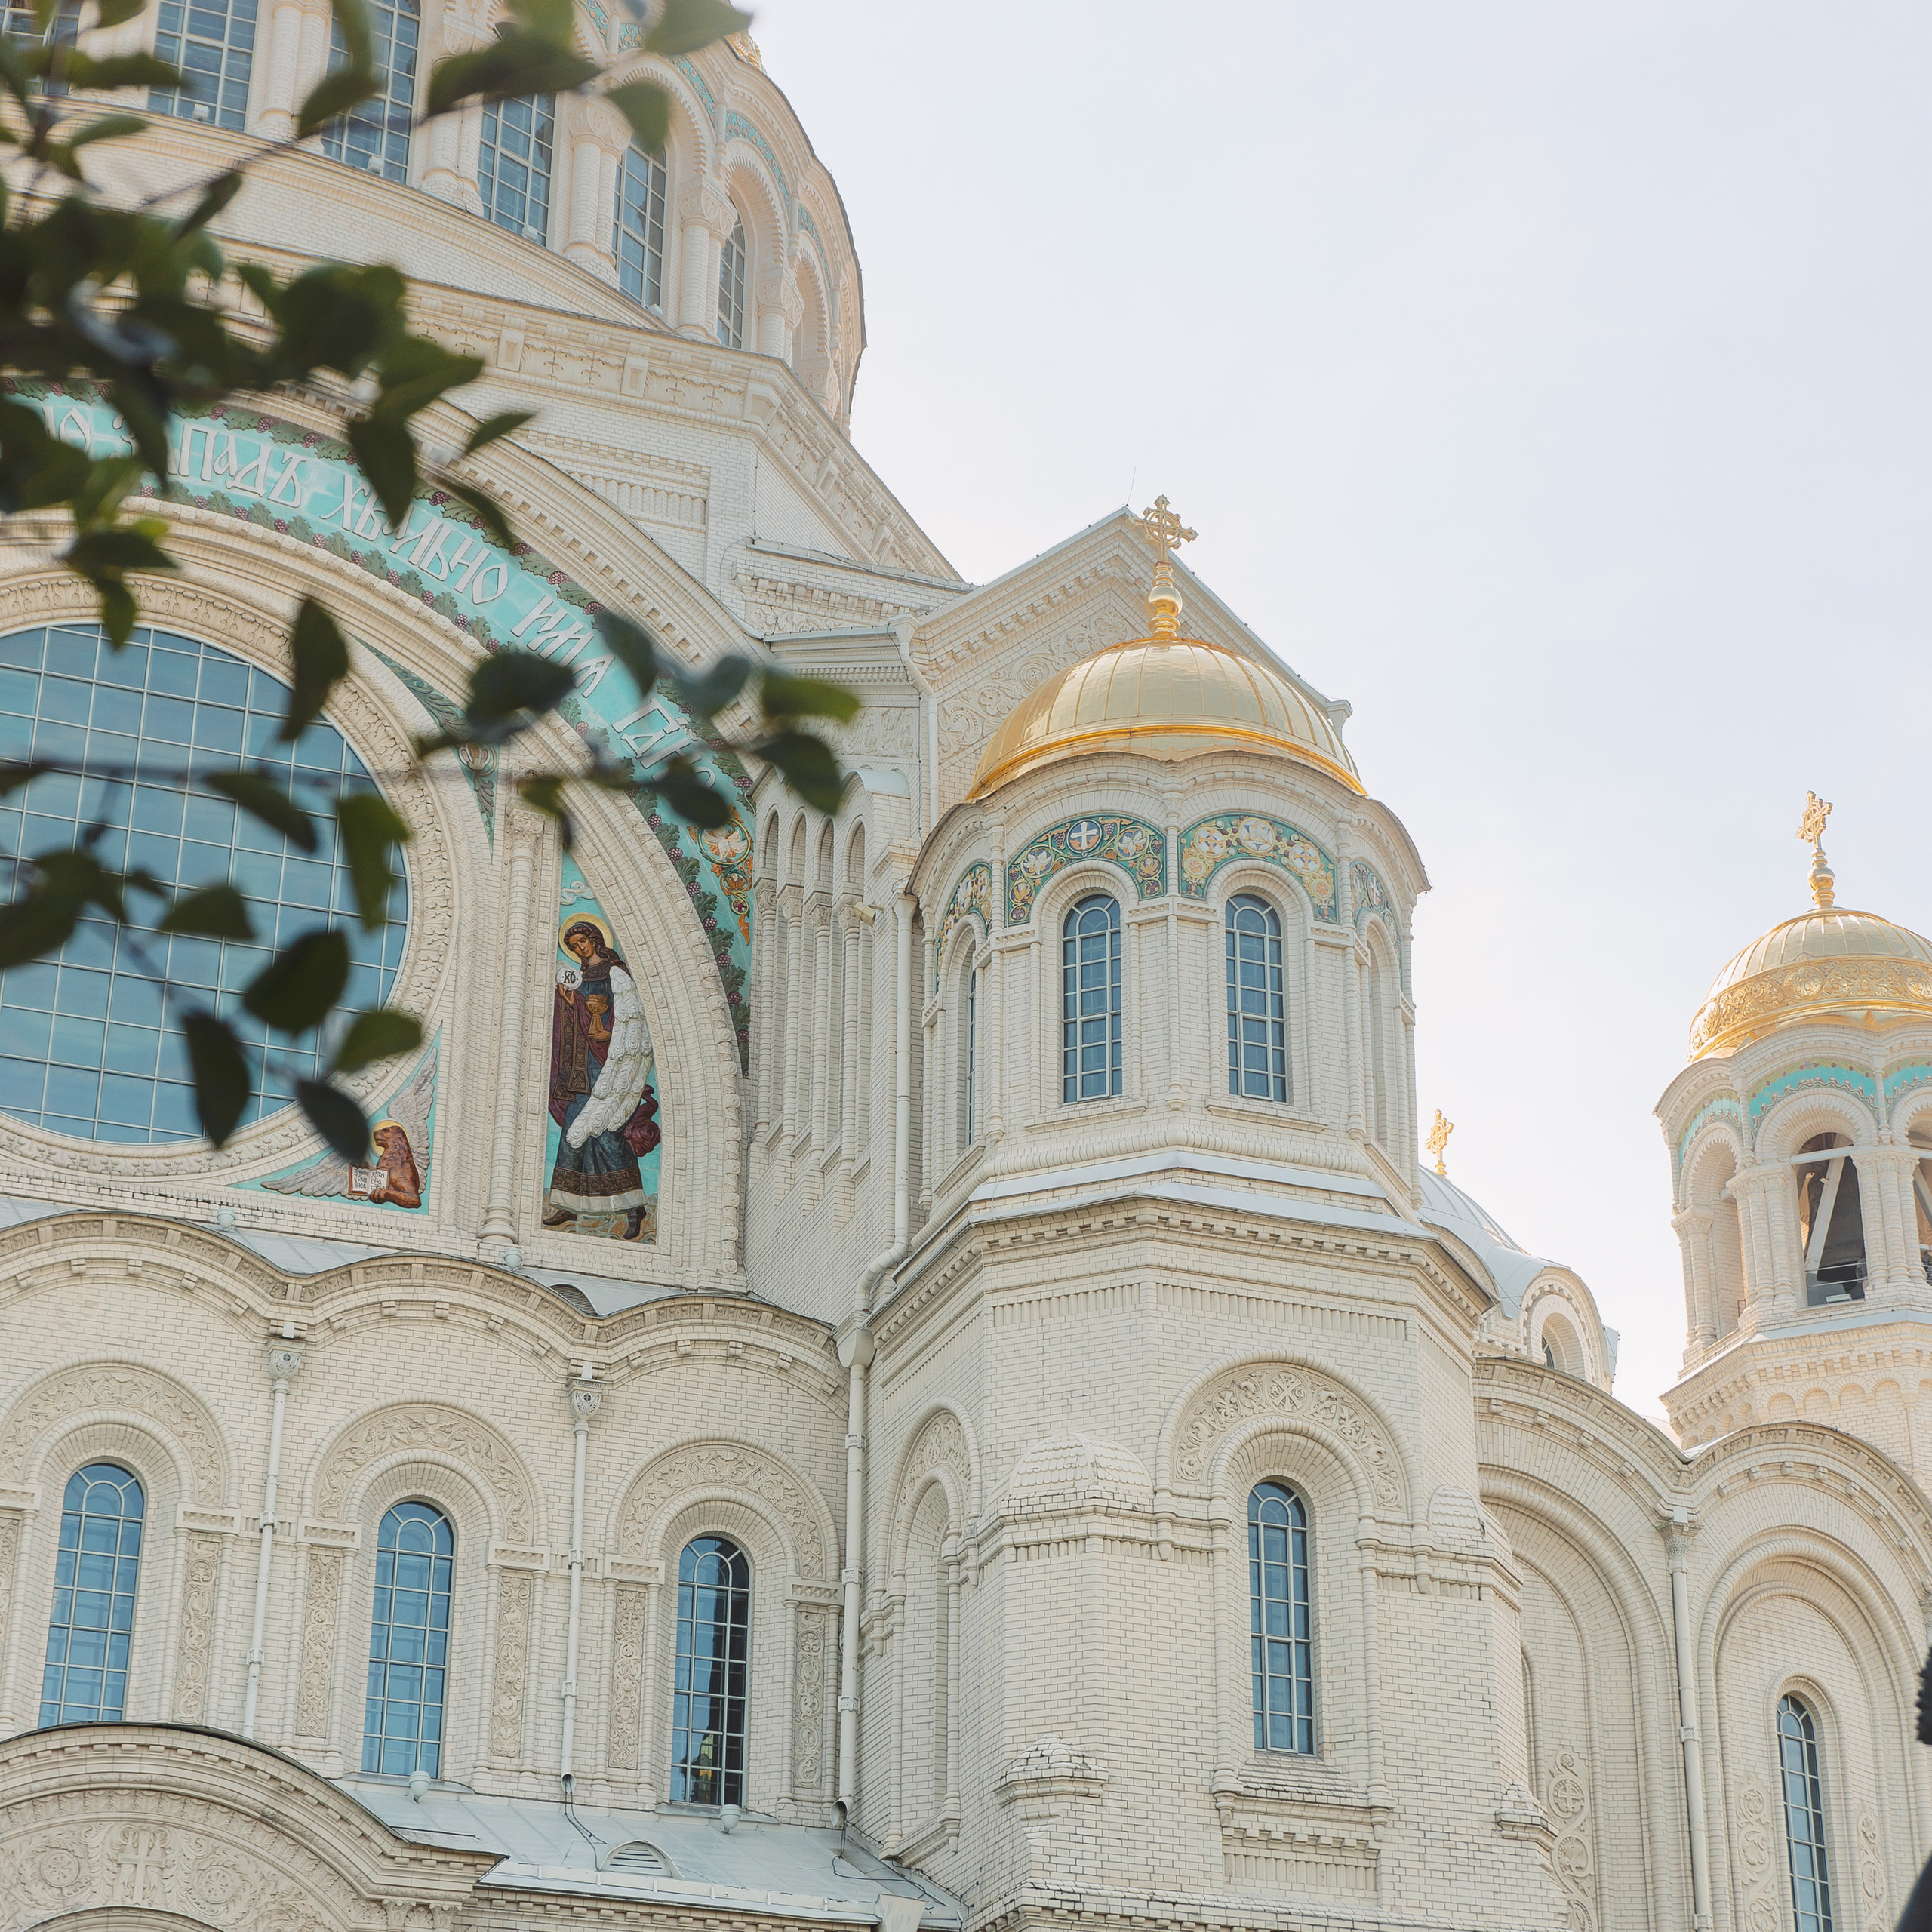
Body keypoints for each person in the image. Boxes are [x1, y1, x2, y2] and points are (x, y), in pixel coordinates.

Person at [544, 919, 658, 1241]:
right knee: (571, 1131)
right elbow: (575, 1017)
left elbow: (626, 1017)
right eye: (574, 946)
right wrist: (569, 1003)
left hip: (608, 1066)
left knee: (608, 1134)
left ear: (595, 939)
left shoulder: (615, 974)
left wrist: (606, 1030)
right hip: (581, 1067)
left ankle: (634, 1207)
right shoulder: (580, 979)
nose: (580, 948)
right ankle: (567, 1204)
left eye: (583, 941)